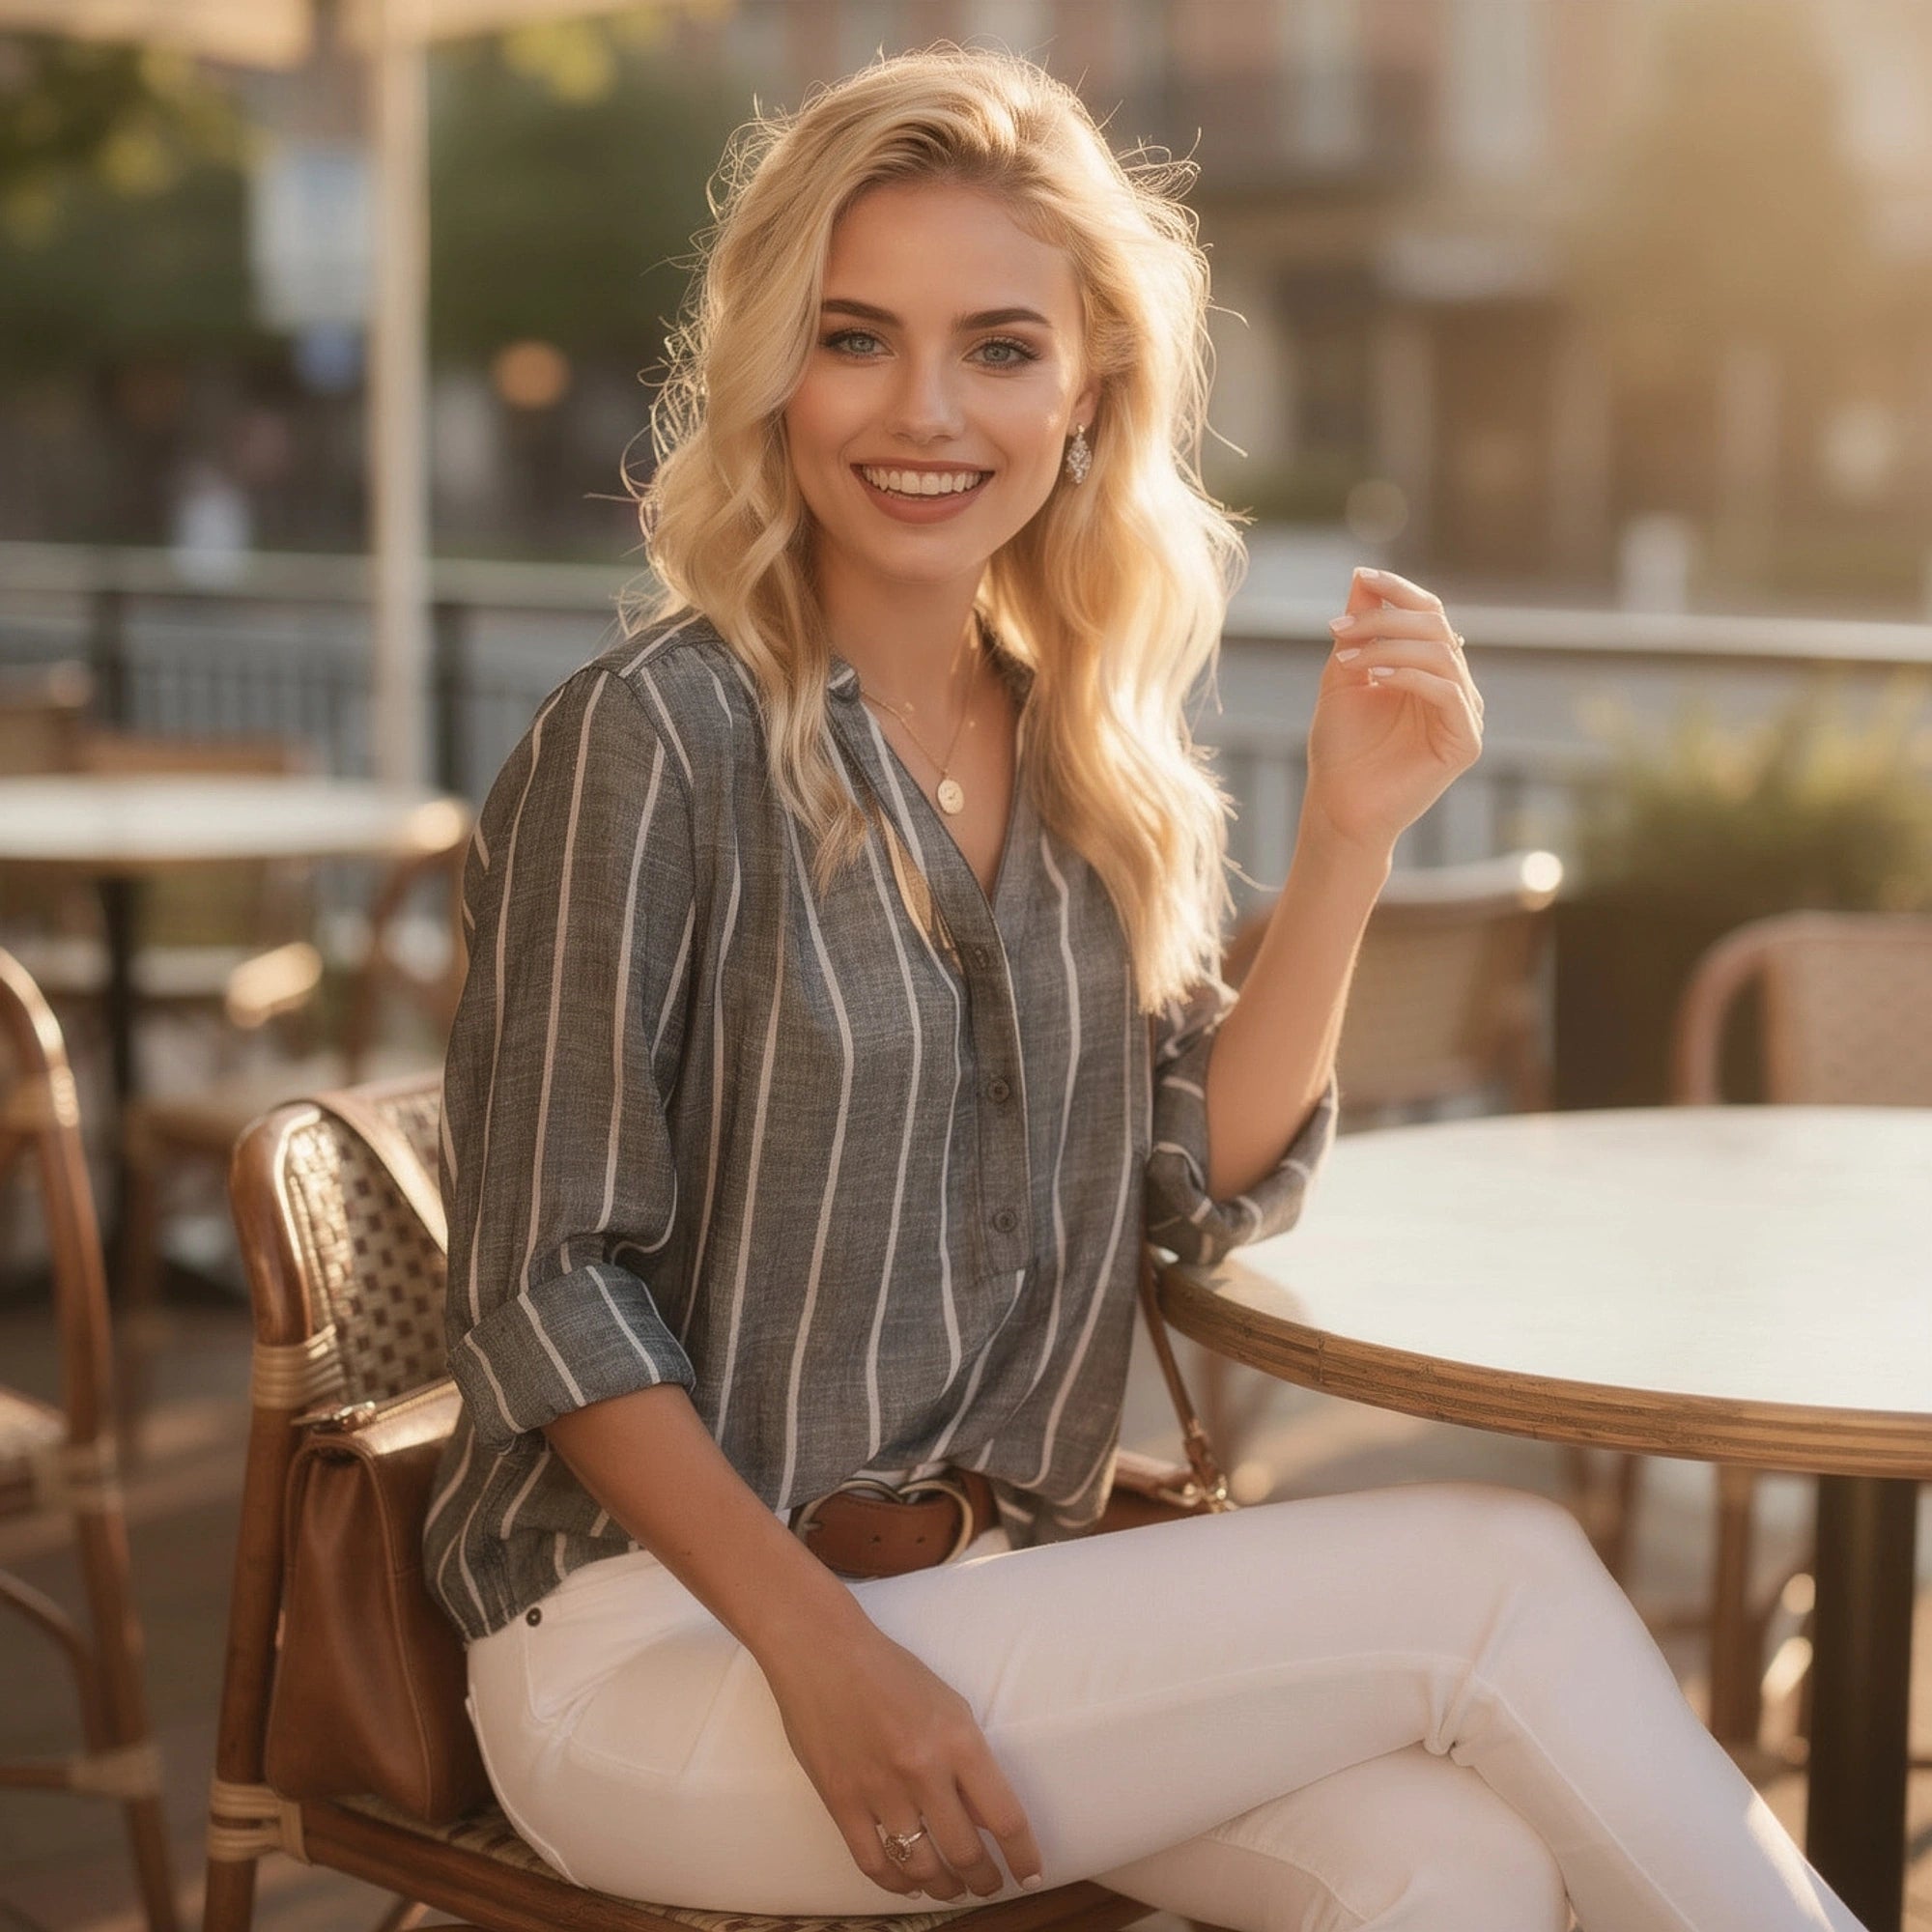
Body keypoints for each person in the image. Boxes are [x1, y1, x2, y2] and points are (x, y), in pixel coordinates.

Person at [427, 45, 1864, 1932]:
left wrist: (1348, 839)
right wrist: (820, 1655)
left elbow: (1196, 1172)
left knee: (1452, 1869)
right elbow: (545, 1280)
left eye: (999, 347)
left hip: (985, 1594)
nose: (923, 410)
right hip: (656, 1641)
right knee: (1497, 1577)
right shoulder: (657, 741)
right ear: (776, 364)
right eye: (857, 337)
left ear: (1090, 383)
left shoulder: (1081, 756)